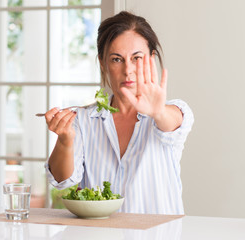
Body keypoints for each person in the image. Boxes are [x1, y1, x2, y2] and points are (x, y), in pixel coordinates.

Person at [45, 11, 194, 215]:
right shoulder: (85, 120)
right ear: (103, 63)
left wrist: (158, 111)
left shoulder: (170, 113)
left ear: (151, 59)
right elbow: (62, 181)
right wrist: (64, 141)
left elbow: (172, 123)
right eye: (116, 59)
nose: (128, 70)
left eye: (137, 58)